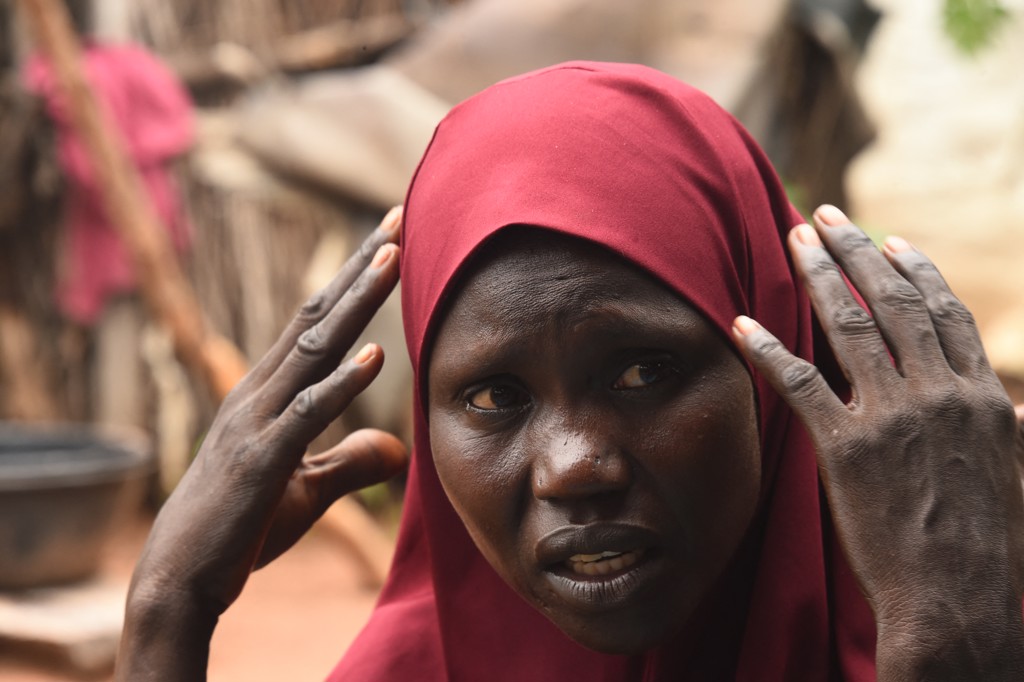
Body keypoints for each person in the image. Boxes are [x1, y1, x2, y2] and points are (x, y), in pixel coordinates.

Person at [115, 62, 1024, 680]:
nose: (574, 465)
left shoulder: (970, 618)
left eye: (642, 372)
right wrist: (168, 609)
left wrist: (952, 644)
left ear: (780, 352)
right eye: (493, 397)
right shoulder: (419, 667)